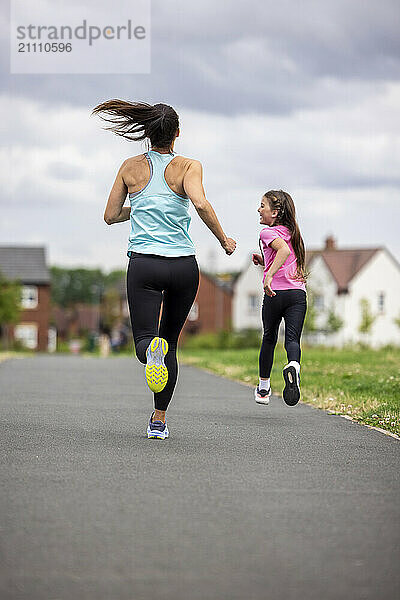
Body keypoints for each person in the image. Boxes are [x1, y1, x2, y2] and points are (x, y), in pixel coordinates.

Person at [92, 100, 236, 438]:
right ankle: (158, 420)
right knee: (170, 341)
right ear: (177, 134)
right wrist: (224, 239)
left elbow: (110, 215)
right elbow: (199, 202)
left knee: (146, 339)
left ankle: (149, 351)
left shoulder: (129, 167)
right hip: (183, 267)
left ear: (146, 133)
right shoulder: (189, 166)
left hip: (144, 265)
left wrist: (140, 208)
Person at [252, 190, 307, 407]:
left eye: (262, 205)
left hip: (275, 293)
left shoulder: (268, 233)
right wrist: (265, 262)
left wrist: (269, 276)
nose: (259, 209)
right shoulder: (293, 233)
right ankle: (293, 364)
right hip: (297, 294)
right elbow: (286, 256)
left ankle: (263, 388)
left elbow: (282, 251)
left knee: (269, 338)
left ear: (274, 213)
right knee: (292, 339)